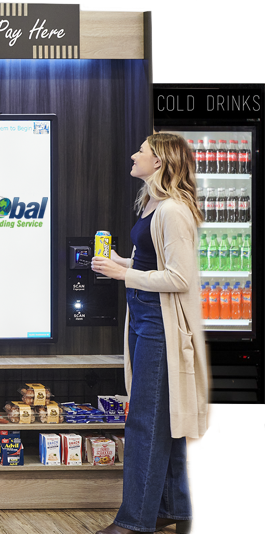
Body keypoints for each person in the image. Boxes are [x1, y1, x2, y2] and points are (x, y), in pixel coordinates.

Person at [91, 132, 210, 534]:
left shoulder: (174, 211)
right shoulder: (152, 204)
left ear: (158, 162)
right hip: (144, 317)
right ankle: (175, 511)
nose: (133, 154)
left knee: (144, 422)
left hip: (160, 325)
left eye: (141, 151)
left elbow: (179, 277)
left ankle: (135, 522)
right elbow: (152, 260)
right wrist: (123, 263)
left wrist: (126, 274)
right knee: (165, 423)